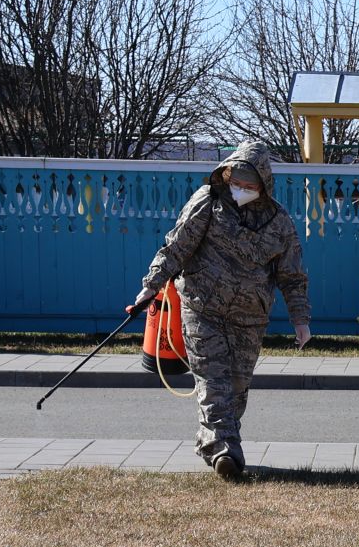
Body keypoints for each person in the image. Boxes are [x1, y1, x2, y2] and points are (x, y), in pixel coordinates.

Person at [128, 142, 310, 481]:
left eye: (249, 184)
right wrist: (151, 284)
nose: (240, 189)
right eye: (235, 181)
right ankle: (225, 449)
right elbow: (176, 246)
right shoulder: (208, 203)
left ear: (263, 184)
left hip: (250, 319)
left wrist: (300, 320)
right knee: (214, 381)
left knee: (237, 386)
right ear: (226, 175)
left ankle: (215, 440)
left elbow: (292, 274)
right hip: (202, 309)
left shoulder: (279, 221)